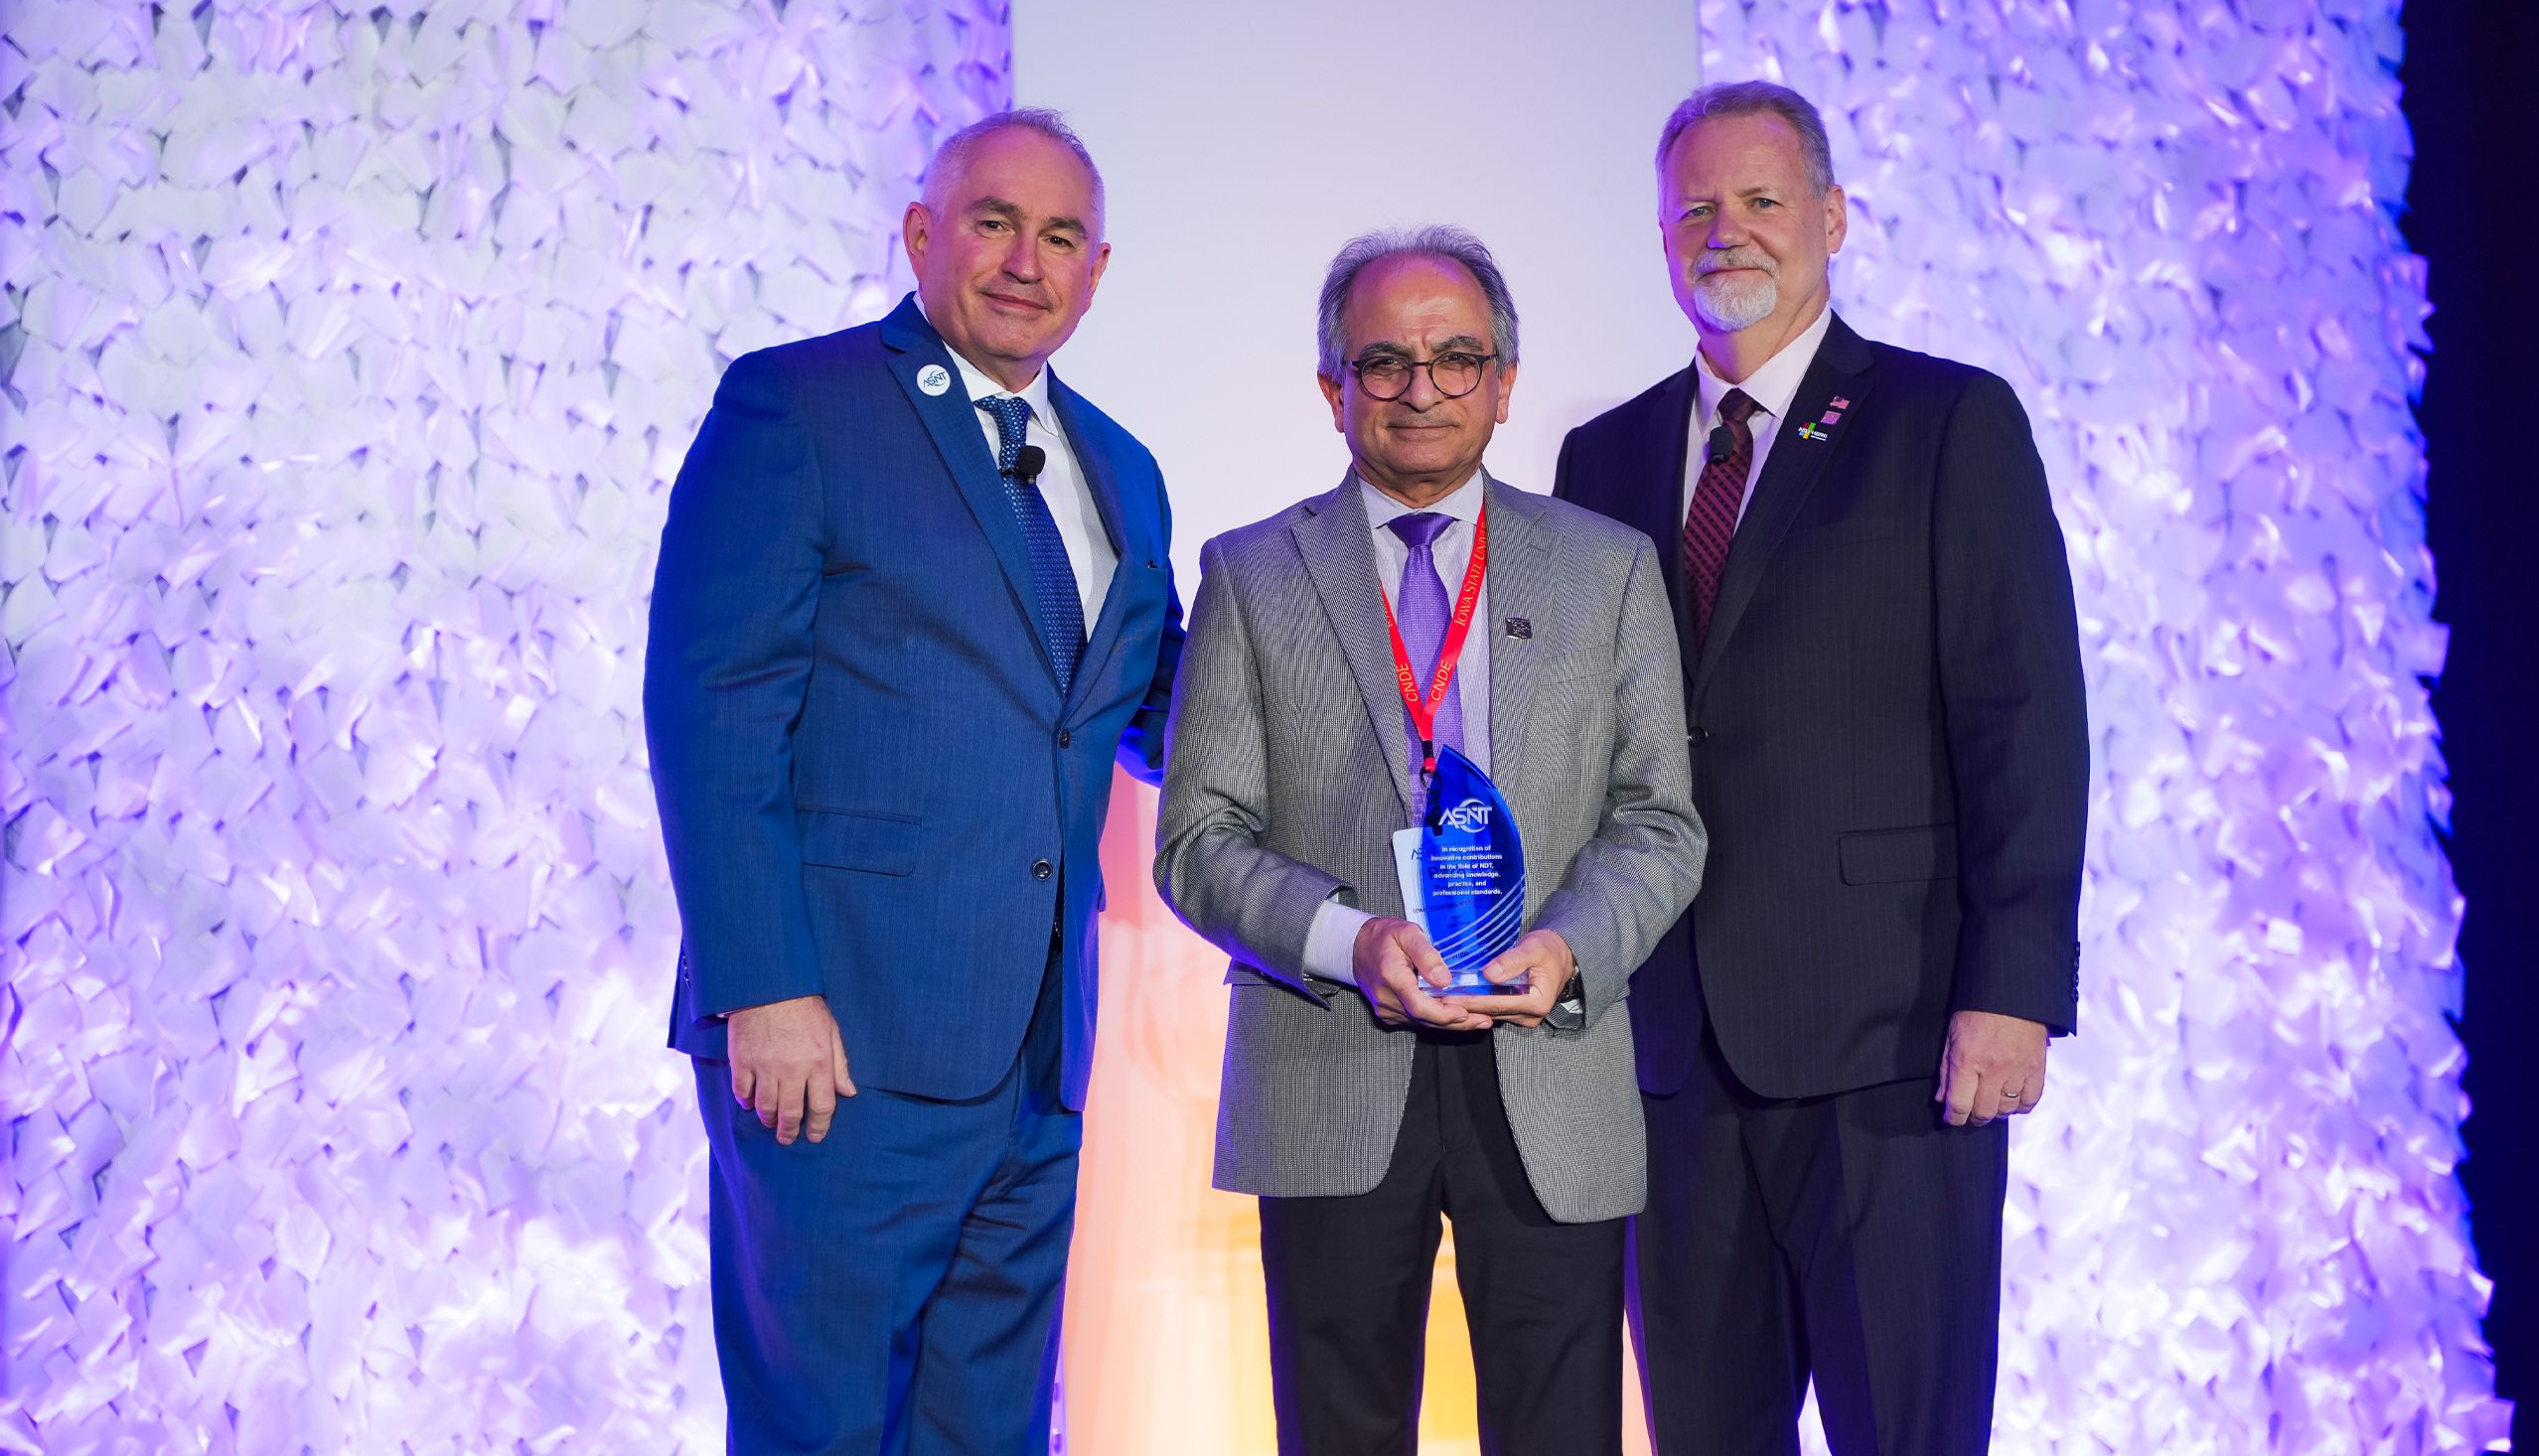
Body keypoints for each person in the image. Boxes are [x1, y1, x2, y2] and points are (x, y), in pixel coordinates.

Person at [1553, 80, 2088, 1455]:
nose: (1724, 231)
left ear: (1833, 217)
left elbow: (2023, 716)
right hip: (1669, 1056)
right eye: (1694, 208)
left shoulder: (1944, 420)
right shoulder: (1601, 458)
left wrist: (2014, 990)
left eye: (1760, 200)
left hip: (1893, 1044)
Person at [643, 108, 1183, 1454]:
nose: (1026, 260)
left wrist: (1363, 669)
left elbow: (1155, 706)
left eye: (1060, 235)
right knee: (820, 1427)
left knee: (987, 1433)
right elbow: (713, 707)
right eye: (994, 222)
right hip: (837, 1045)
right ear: (922, 233)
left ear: (1098, 270)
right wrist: (763, 985)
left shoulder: (1123, 467)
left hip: (1034, 1062)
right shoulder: (799, 406)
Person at [1156, 226, 1706, 1456]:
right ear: (1332, 387)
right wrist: (1351, 940)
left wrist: (1569, 944)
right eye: (1385, 361)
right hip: (1331, 1058)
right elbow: (1197, 837)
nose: (1422, 388)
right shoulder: (1251, 573)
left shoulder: (1609, 568)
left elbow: (1660, 819)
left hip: (1549, 1055)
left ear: (1504, 383)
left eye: (1457, 358)